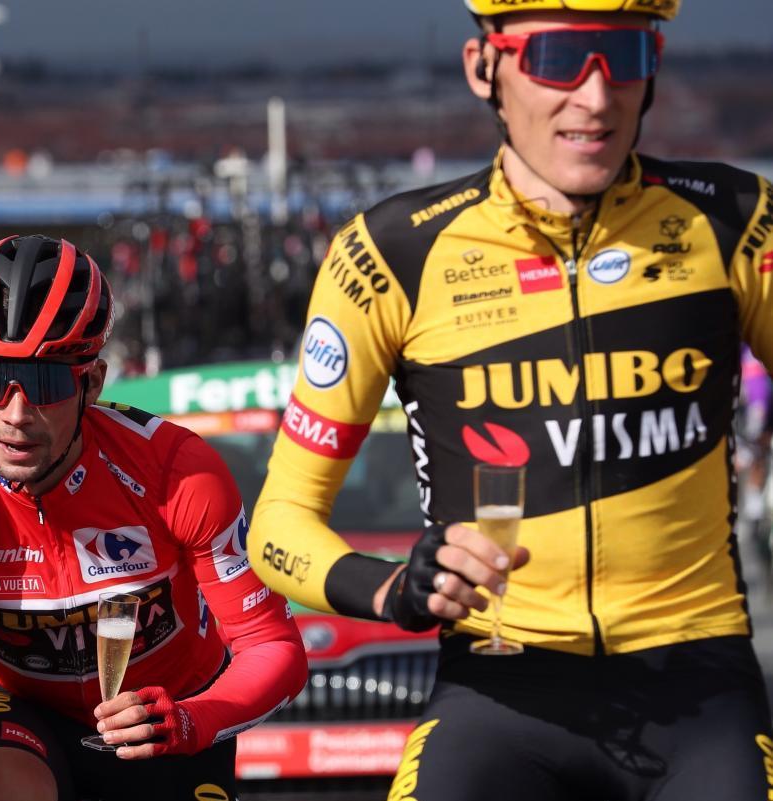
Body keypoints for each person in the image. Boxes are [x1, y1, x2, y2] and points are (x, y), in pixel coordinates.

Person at [249, 1, 773, 798]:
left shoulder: (732, 220)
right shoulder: (393, 252)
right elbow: (279, 526)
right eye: (559, 58)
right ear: (481, 67)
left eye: (624, 55)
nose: (596, 99)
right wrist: (395, 587)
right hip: (500, 688)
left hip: (698, 684)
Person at [0, 234, 306, 801]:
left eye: (44, 382)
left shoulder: (176, 472)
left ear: (93, 384)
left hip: (167, 718)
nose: (14, 414)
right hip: (17, 709)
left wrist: (189, 720)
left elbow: (273, 648)